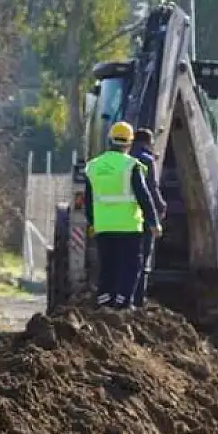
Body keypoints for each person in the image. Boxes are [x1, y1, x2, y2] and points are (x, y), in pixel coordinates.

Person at [85, 121, 160, 308]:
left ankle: (104, 301)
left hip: (103, 227)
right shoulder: (131, 166)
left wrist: (92, 223)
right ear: (129, 143)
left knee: (107, 265)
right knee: (130, 266)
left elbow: (88, 200)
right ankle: (123, 303)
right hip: (128, 227)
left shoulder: (94, 166)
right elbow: (144, 195)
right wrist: (153, 222)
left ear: (109, 140)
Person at [130, 127, 166, 307]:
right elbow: (151, 188)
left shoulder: (125, 159)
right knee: (142, 260)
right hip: (142, 218)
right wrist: (160, 207)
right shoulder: (146, 161)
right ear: (148, 143)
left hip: (122, 218)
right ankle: (137, 299)